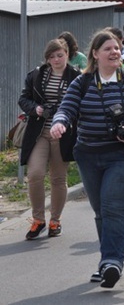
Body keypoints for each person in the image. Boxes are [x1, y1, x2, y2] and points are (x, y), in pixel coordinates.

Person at [50, 30, 124, 288]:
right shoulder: (84, 81)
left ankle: (112, 262)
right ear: (95, 54)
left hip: (121, 155)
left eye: (117, 48)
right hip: (88, 155)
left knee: (114, 207)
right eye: (108, 48)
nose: (114, 52)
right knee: (101, 211)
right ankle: (106, 262)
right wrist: (60, 123)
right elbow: (67, 107)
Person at [18, 39, 81, 240]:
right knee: (35, 174)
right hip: (39, 131)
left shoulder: (76, 77)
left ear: (67, 54)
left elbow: (81, 104)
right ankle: (38, 220)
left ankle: (55, 220)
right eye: (51, 56)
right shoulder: (37, 75)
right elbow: (23, 98)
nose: (55, 59)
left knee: (58, 178)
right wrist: (34, 108)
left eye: (59, 55)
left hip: (62, 134)